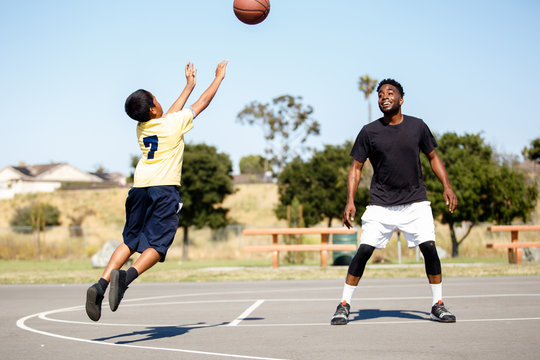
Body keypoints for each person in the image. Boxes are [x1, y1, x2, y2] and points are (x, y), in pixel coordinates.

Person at [85, 60, 228, 321]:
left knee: (130, 242)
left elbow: (169, 115)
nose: (160, 103)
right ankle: (125, 279)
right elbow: (203, 103)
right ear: (153, 108)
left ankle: (101, 285)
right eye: (156, 100)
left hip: (139, 187)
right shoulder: (171, 125)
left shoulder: (143, 127)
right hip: (164, 190)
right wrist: (218, 78)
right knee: (158, 246)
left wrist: (188, 86)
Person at [330, 79, 458, 325]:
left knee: (429, 248)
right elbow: (356, 168)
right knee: (364, 251)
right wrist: (350, 201)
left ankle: (437, 304)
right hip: (380, 204)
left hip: (415, 202)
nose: (384, 97)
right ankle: (344, 304)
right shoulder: (369, 131)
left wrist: (447, 186)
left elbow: (433, 157)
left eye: (390, 93)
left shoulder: (418, 127)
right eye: (380, 94)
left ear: (401, 99)